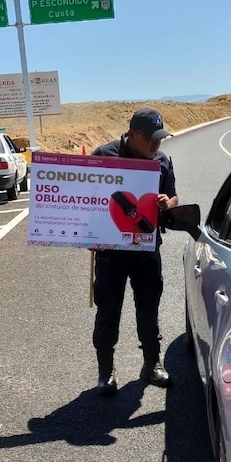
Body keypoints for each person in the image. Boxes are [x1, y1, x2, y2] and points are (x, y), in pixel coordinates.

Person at [90, 108, 179, 395]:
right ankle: (106, 372)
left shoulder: (162, 161)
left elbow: (175, 195)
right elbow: (85, 200)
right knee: (108, 311)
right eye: (151, 140)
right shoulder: (104, 156)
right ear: (133, 134)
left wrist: (168, 202)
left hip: (147, 249)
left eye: (160, 140)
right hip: (110, 254)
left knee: (149, 309)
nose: (156, 145)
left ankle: (152, 364)